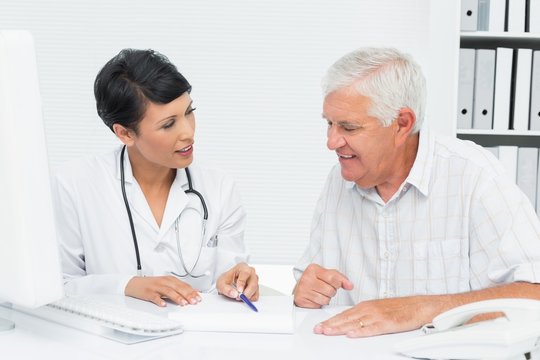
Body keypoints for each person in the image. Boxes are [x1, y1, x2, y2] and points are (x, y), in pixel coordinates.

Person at [293, 47, 540, 337]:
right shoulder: (340, 180)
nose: (332, 142)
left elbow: (533, 294)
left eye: (348, 127)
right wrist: (306, 293)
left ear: (402, 124)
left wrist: (423, 308)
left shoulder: (474, 176)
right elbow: (313, 294)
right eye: (329, 124)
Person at [51, 49, 258, 307]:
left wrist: (238, 279)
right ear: (125, 133)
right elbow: (58, 285)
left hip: (198, 344)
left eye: (189, 112)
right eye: (168, 124)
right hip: (108, 343)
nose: (188, 132)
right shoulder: (76, 183)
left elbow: (228, 282)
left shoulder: (219, 188)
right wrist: (126, 286)